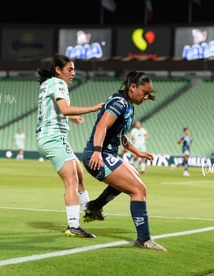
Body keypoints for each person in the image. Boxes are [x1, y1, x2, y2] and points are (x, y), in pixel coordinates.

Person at [82, 71, 167, 251]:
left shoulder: (128, 105)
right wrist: (97, 151)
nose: (146, 97)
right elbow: (101, 126)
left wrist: (138, 151)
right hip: (99, 155)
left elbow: (119, 136)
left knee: (131, 180)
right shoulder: (118, 103)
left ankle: (95, 206)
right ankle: (144, 239)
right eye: (144, 92)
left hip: (108, 154)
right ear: (132, 87)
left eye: (148, 94)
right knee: (138, 189)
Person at [36, 54, 103, 238]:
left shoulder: (47, 84)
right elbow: (64, 109)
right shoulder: (58, 84)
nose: (73, 73)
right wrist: (93, 108)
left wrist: (71, 118)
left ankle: (89, 210)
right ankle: (73, 225)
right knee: (71, 181)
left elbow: (53, 109)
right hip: (53, 138)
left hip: (54, 138)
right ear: (58, 70)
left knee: (79, 173)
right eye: (70, 69)